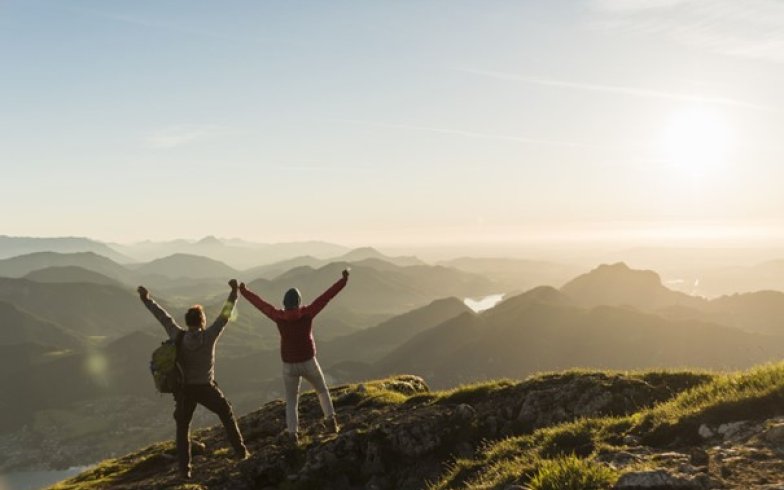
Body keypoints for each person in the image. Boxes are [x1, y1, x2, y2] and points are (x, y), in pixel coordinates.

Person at [137, 279, 249, 479]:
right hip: (206, 387)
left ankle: (184, 470)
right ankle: (241, 453)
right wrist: (234, 292)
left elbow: (163, 317)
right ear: (202, 321)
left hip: (185, 390)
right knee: (227, 414)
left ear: (188, 321)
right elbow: (226, 314)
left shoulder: (177, 335)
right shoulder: (210, 336)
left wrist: (147, 299)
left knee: (182, 427)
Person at [239, 269, 349, 444]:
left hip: (289, 365)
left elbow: (260, 304)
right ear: (298, 302)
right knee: (322, 390)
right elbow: (326, 297)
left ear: (285, 302)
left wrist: (244, 291)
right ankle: (330, 421)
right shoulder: (308, 313)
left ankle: (293, 434)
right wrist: (343, 281)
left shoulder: (278, 316)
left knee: (291, 401)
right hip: (309, 361)